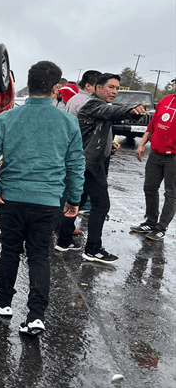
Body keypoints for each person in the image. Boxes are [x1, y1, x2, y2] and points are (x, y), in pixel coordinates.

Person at [0, 61, 86, 337]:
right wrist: (74, 198)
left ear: (30, 83)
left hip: (12, 198)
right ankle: (36, 317)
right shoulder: (68, 121)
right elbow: (75, 164)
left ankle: (3, 302)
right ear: (56, 88)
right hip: (49, 201)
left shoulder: (7, 118)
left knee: (10, 250)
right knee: (40, 255)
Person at [77, 73, 149, 264]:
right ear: (98, 88)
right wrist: (132, 108)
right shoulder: (94, 104)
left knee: (75, 200)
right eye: (111, 87)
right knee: (101, 205)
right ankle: (92, 249)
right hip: (89, 164)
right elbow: (113, 111)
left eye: (117, 88)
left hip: (90, 161)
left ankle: (63, 239)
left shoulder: (101, 106)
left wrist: (110, 146)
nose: (115, 92)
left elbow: (102, 125)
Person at [130, 87, 176, 242]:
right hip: (156, 154)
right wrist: (142, 144)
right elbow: (153, 125)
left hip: (173, 158)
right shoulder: (166, 100)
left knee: (171, 193)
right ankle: (150, 222)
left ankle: (161, 228)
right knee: (149, 187)